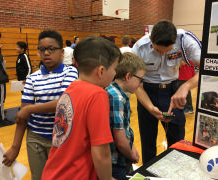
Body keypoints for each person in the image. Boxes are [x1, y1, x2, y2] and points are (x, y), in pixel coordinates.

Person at [41, 35, 121, 180]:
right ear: (101, 71)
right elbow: (101, 151)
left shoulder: (70, 88)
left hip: (53, 173)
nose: (115, 73)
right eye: (115, 69)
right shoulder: (97, 94)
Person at [2, 30, 78, 180]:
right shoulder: (32, 78)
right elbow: (23, 117)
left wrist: (30, 108)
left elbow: (63, 103)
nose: (46, 53)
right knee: (39, 177)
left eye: (51, 49)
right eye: (42, 49)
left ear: (61, 52)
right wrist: (15, 147)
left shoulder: (70, 72)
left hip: (63, 139)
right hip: (35, 138)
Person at [132, 20, 201, 163]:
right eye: (158, 50)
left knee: (177, 138)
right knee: (147, 139)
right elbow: (136, 84)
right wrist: (150, 108)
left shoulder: (186, 40)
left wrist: (185, 86)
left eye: (168, 50)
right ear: (150, 38)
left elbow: (208, 70)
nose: (163, 54)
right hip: (147, 92)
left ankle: (176, 171)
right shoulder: (139, 47)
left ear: (175, 41)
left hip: (172, 91)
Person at [106, 52, 146, 179]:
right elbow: (120, 140)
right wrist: (130, 154)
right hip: (116, 162)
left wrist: (132, 146)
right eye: (140, 80)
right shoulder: (117, 98)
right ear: (128, 76)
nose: (141, 84)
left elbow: (125, 128)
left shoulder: (116, 91)